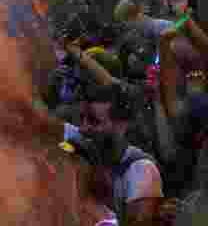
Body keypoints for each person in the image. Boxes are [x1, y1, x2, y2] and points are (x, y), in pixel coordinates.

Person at [63, 83, 164, 225]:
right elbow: (50, 139)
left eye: (93, 121)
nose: (83, 128)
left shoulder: (141, 170)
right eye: (82, 119)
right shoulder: (81, 145)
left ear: (121, 126)